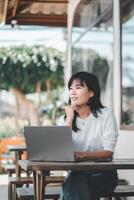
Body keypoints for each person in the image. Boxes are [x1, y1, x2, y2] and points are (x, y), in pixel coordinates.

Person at [59, 71, 119, 200]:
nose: (72, 93)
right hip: (76, 173)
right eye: (70, 88)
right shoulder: (64, 119)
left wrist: (84, 154)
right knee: (75, 184)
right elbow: (61, 151)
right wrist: (69, 120)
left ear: (91, 93)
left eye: (78, 88)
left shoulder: (106, 115)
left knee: (70, 186)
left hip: (103, 174)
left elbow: (108, 152)